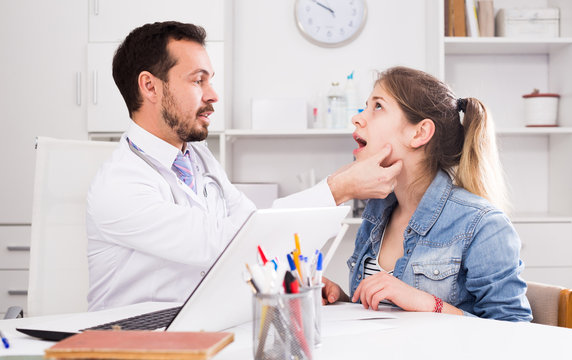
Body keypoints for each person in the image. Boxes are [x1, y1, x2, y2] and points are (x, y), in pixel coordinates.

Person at [86, 21, 402, 311]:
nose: (213, 95)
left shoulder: (198, 158)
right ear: (150, 86)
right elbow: (232, 243)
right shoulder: (120, 185)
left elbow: (251, 223)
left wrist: (284, 281)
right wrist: (340, 187)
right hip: (137, 342)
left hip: (204, 328)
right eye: (198, 80)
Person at [322, 66, 532, 321]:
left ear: (419, 133)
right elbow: (383, 314)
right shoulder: (375, 214)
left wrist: (426, 303)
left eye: (377, 107)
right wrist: (340, 299)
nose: (357, 118)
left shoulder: (483, 224)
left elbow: (515, 330)